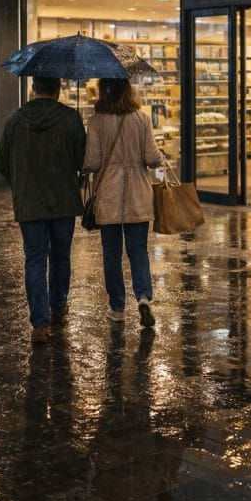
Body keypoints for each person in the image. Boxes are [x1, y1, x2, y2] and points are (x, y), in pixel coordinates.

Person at [0, 76, 86, 344]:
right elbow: (83, 159)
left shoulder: (15, 120)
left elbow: (2, 162)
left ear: (34, 89)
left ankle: (39, 324)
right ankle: (58, 309)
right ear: (58, 90)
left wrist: (20, 185)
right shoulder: (70, 118)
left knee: (35, 259)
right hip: (63, 201)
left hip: (30, 203)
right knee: (60, 257)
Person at [84, 78, 164, 328]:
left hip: (108, 193)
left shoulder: (96, 120)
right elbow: (152, 158)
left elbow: (93, 162)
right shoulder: (141, 118)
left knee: (111, 253)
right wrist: (159, 154)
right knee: (138, 251)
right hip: (137, 195)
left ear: (103, 89)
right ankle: (143, 298)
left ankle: (117, 307)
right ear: (127, 89)